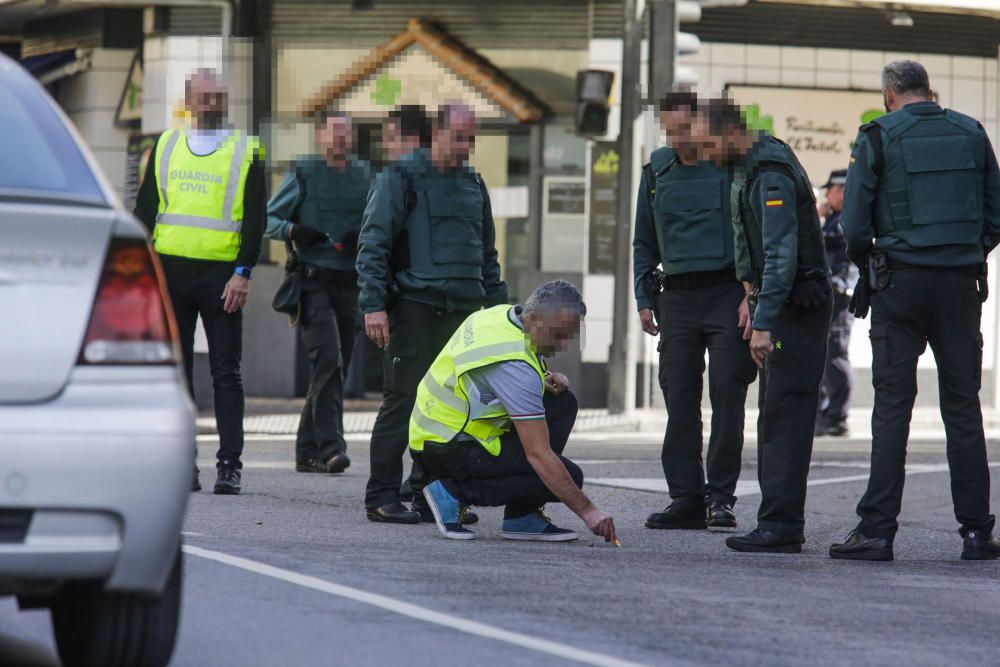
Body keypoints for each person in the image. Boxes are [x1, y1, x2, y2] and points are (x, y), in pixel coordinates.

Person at [830, 60, 1000, 561]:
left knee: (892, 410)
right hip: (958, 285)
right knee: (963, 409)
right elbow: (996, 213)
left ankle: (877, 532)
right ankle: (977, 533)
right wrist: (965, 253)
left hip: (898, 284)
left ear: (889, 94)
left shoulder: (877, 136)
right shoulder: (971, 132)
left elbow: (854, 224)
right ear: (930, 91)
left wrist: (872, 262)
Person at [357, 102, 508, 524]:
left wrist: (503, 320)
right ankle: (382, 495)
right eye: (459, 137)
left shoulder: (474, 184)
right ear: (438, 133)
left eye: (471, 139)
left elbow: (488, 259)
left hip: (463, 315)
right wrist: (373, 305)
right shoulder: (401, 176)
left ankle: (429, 496)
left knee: (447, 410)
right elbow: (373, 243)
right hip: (415, 309)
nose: (466, 146)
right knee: (402, 401)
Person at [700, 98, 832, 553]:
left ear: (731, 132)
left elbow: (781, 254)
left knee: (785, 418)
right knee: (777, 416)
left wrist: (764, 322)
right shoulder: (753, 162)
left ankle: (780, 526)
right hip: (784, 305)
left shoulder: (768, 170)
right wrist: (751, 297)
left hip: (795, 307)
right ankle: (778, 522)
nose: (703, 153)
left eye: (707, 143)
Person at [133, 68, 266, 495]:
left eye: (219, 96)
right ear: (189, 100)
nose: (212, 103)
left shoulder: (247, 149)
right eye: (205, 96)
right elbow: (144, 211)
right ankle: (183, 464)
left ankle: (229, 466)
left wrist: (243, 273)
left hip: (221, 278)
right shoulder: (166, 145)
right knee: (178, 373)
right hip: (170, 273)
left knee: (226, 372)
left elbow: (256, 219)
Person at [633, 91, 756, 532]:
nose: (677, 136)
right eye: (669, 128)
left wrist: (750, 294)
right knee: (680, 401)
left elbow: (751, 232)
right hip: (678, 299)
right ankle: (685, 497)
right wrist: (643, 298)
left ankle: (720, 499)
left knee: (728, 396)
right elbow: (643, 240)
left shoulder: (726, 166)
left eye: (684, 127)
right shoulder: (657, 171)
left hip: (726, 292)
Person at [412, 280, 618, 544]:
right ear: (533, 318)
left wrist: (542, 376)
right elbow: (538, 455)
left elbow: (489, 374)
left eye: (569, 336)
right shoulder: (514, 365)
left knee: (562, 403)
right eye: (558, 335)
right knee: (568, 476)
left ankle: (522, 517)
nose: (563, 345)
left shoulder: (501, 316)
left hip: (437, 432)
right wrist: (588, 511)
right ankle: (452, 492)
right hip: (447, 447)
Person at [265, 112, 372, 474]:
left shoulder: (364, 174)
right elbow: (268, 221)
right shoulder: (303, 171)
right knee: (328, 360)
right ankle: (331, 448)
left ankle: (306, 450)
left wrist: (365, 235)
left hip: (350, 285)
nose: (339, 139)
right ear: (320, 136)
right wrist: (295, 230)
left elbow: (378, 220)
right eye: (333, 132)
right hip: (312, 283)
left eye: (346, 133)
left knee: (333, 370)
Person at [815, 169, 855, 438]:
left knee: (835, 356)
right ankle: (825, 412)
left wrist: (813, 216)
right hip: (829, 296)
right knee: (824, 356)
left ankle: (837, 416)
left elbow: (826, 241)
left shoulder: (847, 219)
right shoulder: (832, 219)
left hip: (840, 296)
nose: (826, 198)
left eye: (829, 192)